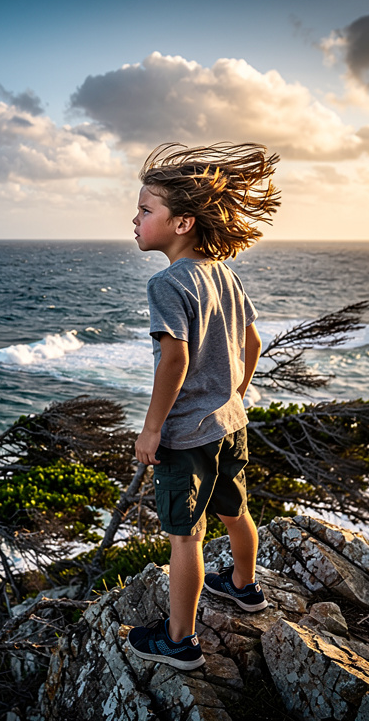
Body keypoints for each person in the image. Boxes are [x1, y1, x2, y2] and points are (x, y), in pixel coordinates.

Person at [126, 142, 280, 670]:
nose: (135, 219)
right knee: (235, 510)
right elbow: (252, 341)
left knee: (185, 536)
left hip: (187, 435)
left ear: (182, 223)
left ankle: (180, 641)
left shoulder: (167, 283)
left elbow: (175, 359)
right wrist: (235, 394)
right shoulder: (224, 273)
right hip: (229, 424)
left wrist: (152, 430)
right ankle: (244, 586)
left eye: (145, 210)